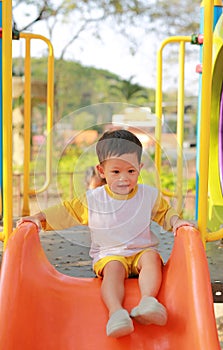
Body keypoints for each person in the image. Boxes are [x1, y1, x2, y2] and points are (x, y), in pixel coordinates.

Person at [17, 129, 193, 338]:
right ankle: (116, 313)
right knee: (113, 271)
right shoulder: (94, 199)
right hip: (110, 254)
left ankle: (148, 301)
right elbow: (66, 211)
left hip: (141, 251)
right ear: (102, 170)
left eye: (131, 171)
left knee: (153, 258)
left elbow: (165, 213)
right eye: (115, 172)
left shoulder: (148, 195)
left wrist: (177, 222)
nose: (124, 179)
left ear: (140, 168)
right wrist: (38, 218)